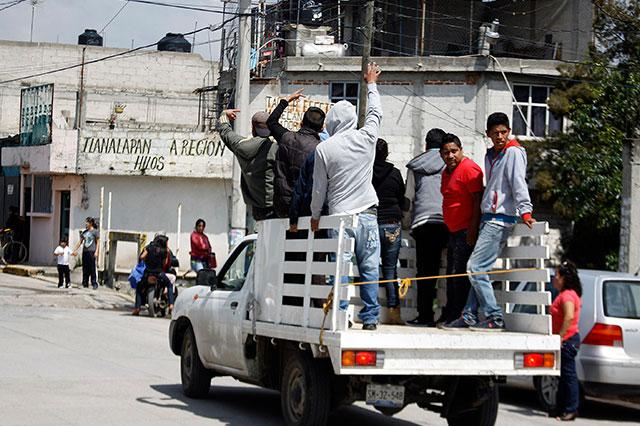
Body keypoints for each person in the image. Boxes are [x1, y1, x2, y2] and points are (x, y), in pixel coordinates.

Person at [444, 112, 536, 332]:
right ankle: (468, 315)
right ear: (488, 134)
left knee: (475, 268)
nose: (500, 136)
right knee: (479, 269)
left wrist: (525, 210)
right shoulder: (492, 154)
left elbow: (518, 182)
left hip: (500, 218)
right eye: (495, 133)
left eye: (504, 132)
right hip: (489, 217)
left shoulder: (513, 152)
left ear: (509, 131)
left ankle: (494, 316)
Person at [310, 62, 383, 331]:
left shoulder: (324, 149)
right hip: (368, 215)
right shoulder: (367, 138)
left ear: (332, 122)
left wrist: (316, 216)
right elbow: (376, 112)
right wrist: (371, 84)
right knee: (369, 269)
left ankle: (341, 315)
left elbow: (320, 189)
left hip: (340, 217)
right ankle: (371, 317)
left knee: (339, 271)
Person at [404, 128, 449, 327]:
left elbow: (408, 198)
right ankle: (447, 313)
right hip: (446, 222)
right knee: (448, 271)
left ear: (426, 145)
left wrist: (405, 224)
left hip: (423, 223)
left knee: (425, 272)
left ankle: (425, 315)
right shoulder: (450, 162)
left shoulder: (416, 165)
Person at [438, 134, 483, 325]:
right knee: (451, 274)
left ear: (461, 150)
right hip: (452, 231)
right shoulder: (446, 172)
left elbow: (478, 201)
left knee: (460, 275)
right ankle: (450, 312)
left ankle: (460, 315)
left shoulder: (469, 169)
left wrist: (472, 230)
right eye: (446, 152)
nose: (450, 156)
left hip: (466, 230)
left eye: (454, 151)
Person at [267, 88, 326, 217]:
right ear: (321, 128)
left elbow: (271, 122)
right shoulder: (322, 150)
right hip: (306, 208)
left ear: (301, 123)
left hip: (282, 206)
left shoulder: (286, 138)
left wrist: (286, 100)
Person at [217, 108, 277, 221]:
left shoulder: (240, 146)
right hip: (275, 207)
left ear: (253, 128)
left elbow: (225, 131)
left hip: (256, 208)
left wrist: (224, 114)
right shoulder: (275, 148)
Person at [372, 138, 405, 325]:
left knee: (371, 269)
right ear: (387, 154)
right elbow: (401, 197)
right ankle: (394, 312)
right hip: (392, 224)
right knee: (390, 270)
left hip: (372, 222)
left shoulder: (365, 172)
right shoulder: (395, 173)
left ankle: (371, 311)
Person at [551, 261, 582, 421]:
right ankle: (560, 408)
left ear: (563, 278)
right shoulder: (565, 294)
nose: (554, 278)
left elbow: (569, 316)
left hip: (568, 340)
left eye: (557, 275)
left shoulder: (568, 295)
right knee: (562, 376)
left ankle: (571, 409)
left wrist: (560, 337)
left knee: (568, 376)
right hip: (566, 339)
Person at [132, 234, 176, 316]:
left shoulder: (149, 247)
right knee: (169, 284)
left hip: (148, 273)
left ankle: (137, 308)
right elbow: (165, 263)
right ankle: (171, 304)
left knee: (139, 286)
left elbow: (142, 257)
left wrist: (147, 260)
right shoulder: (165, 251)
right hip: (159, 274)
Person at [71, 217, 100, 289]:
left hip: (92, 251)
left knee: (92, 268)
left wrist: (96, 252)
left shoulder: (95, 232)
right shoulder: (84, 232)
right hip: (85, 251)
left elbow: (98, 243)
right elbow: (80, 242)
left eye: (87, 222)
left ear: (91, 223)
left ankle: (94, 283)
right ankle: (85, 282)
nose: (86, 224)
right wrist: (74, 250)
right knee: (85, 268)